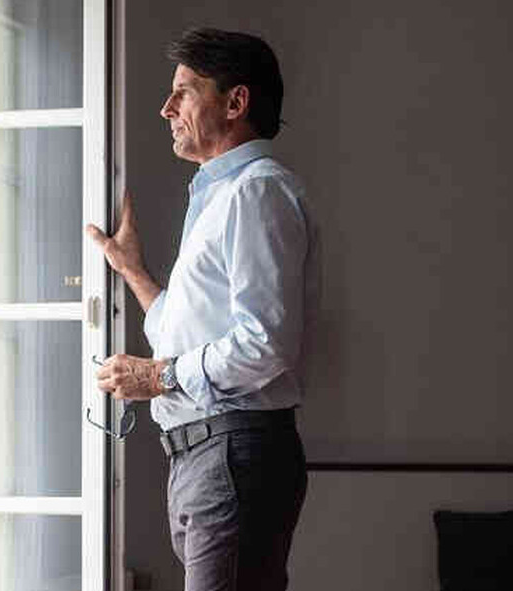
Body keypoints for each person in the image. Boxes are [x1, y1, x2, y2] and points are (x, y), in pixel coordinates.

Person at [86, 27, 319, 590]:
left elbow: (265, 343)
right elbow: (187, 329)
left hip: (230, 454)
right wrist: (133, 272)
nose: (166, 109)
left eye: (184, 92)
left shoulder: (255, 192)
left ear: (235, 103)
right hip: (209, 456)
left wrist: (157, 377)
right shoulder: (222, 195)